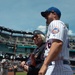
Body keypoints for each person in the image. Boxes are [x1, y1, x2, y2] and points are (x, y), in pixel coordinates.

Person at [38, 7, 73, 75]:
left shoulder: (56, 22)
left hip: (57, 66)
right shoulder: (57, 25)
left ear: (54, 14)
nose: (45, 17)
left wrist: (45, 65)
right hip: (57, 66)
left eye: (47, 14)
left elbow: (57, 43)